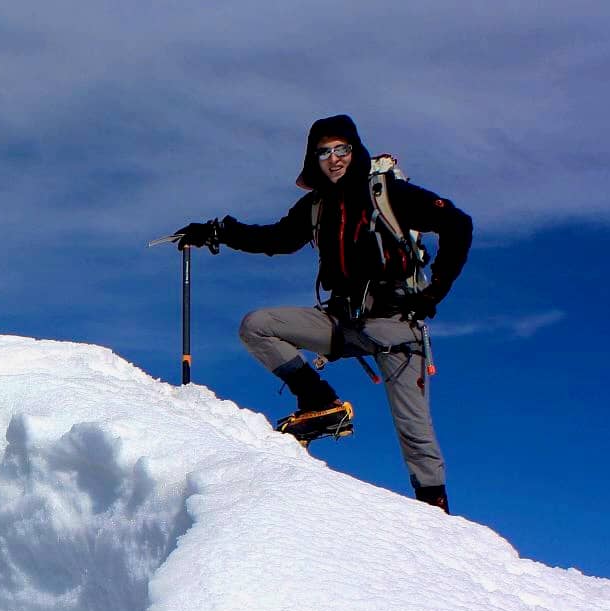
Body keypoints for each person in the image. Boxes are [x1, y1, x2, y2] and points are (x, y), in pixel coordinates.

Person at [173, 114, 472, 513]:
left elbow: (457, 224)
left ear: (355, 151)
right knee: (257, 326)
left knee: (414, 432)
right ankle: (321, 404)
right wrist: (219, 232)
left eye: (342, 149)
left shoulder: (388, 193)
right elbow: (276, 239)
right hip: (343, 322)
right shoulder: (316, 206)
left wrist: (434, 291)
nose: (334, 159)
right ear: (313, 158)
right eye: (324, 152)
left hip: (397, 325)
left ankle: (436, 515)